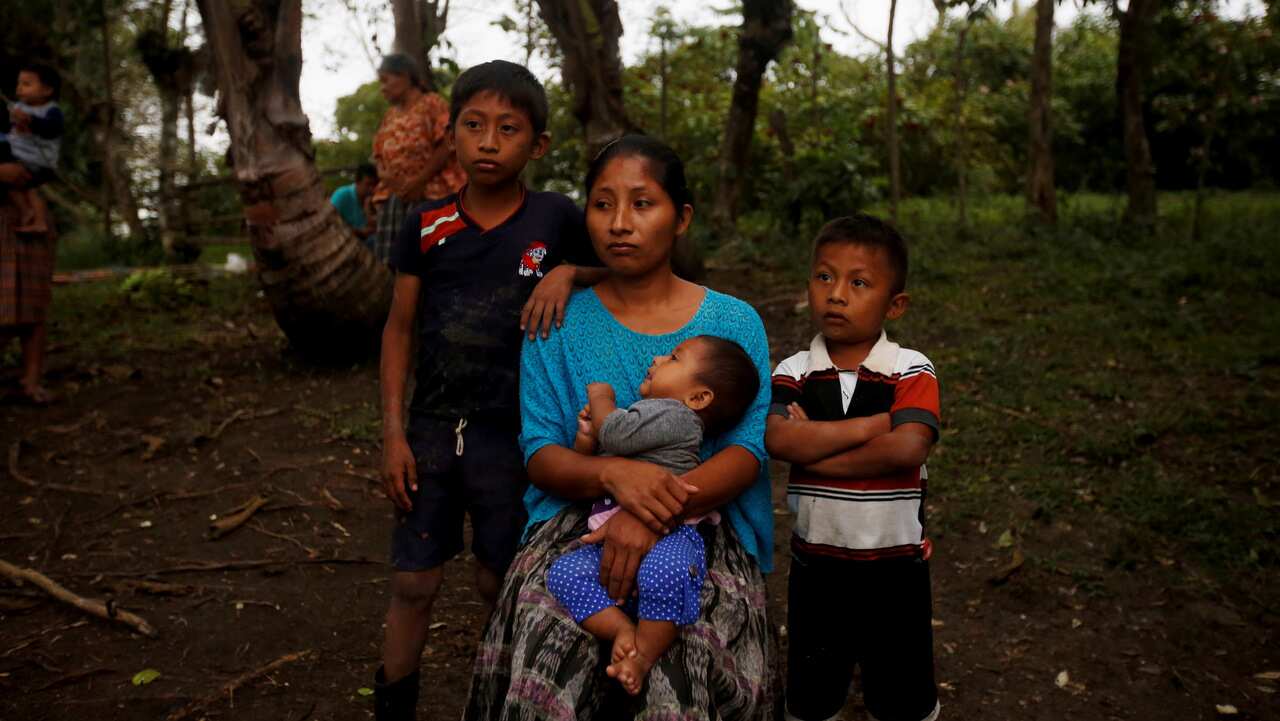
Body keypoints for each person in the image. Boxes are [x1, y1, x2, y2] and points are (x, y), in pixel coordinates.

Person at [465, 134, 777, 720]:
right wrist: (613, 472)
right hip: (576, 527)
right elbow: (540, 452)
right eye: (603, 204)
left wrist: (648, 511)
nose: (619, 223)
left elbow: (745, 452)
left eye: (642, 203)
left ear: (680, 217)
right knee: (545, 649)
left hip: (703, 528)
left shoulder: (733, 321)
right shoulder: (555, 320)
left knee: (686, 667)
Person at [375, 60, 606, 721]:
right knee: (413, 579)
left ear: (538, 145)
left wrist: (569, 271)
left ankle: (509, 698)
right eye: (473, 126)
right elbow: (399, 329)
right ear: (450, 135)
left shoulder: (556, 216)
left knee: (500, 577)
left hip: (517, 431)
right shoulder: (425, 222)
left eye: (508, 129)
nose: (487, 141)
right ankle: (393, 704)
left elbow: (626, 261)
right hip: (430, 425)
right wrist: (393, 434)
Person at [765, 214, 942, 721]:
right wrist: (873, 426)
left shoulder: (911, 366)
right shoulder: (794, 369)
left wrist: (814, 450)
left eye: (858, 282)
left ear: (895, 304)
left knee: (903, 689)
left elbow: (909, 448)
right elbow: (778, 438)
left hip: (896, 571)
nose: (836, 294)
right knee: (813, 690)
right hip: (816, 568)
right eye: (824, 277)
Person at [546, 335, 760, 696]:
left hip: (669, 534)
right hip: (614, 537)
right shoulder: (650, 419)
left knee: (669, 572)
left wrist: (602, 398)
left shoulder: (676, 416)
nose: (659, 358)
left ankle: (643, 656)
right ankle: (622, 631)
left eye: (674, 358)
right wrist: (586, 439)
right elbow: (599, 461)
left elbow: (612, 433)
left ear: (698, 398)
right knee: (564, 573)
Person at [369, 54, 465, 265]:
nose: (382, 88)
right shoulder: (390, 116)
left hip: (429, 194)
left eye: (386, 80)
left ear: (404, 77)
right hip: (395, 200)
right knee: (396, 265)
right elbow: (378, 154)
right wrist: (388, 178)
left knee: (428, 264)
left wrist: (417, 181)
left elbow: (447, 144)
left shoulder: (432, 104)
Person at [1, 64, 63, 235]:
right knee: (18, 188)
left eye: (27, 84)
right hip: (18, 157)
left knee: (26, 186)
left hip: (37, 162)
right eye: (19, 84)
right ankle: (29, 213)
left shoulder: (51, 111)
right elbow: (8, 130)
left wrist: (30, 120)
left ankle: (37, 219)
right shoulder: (18, 107)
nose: (19, 88)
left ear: (47, 90)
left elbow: (52, 130)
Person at [330, 163, 378, 242]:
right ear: (357, 182)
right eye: (368, 184)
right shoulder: (342, 194)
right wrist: (360, 232)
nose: (372, 189)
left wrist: (368, 210)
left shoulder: (374, 198)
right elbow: (331, 222)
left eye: (374, 185)